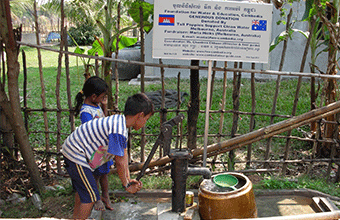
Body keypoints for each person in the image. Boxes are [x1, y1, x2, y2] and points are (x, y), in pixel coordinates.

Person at [62, 93, 154, 219]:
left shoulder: (120, 123)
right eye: (146, 119)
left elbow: (124, 155)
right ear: (140, 115)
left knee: (83, 191)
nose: (145, 123)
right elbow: (120, 162)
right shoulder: (118, 130)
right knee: (90, 197)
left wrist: (128, 180)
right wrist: (126, 186)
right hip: (75, 153)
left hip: (73, 151)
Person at [74, 76, 112, 211]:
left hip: (102, 147)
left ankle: (106, 196)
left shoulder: (96, 106)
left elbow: (104, 121)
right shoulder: (86, 112)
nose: (103, 99)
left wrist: (105, 107)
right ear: (94, 96)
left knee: (104, 174)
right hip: (94, 149)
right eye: (102, 97)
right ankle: (95, 199)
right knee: (95, 176)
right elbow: (90, 131)